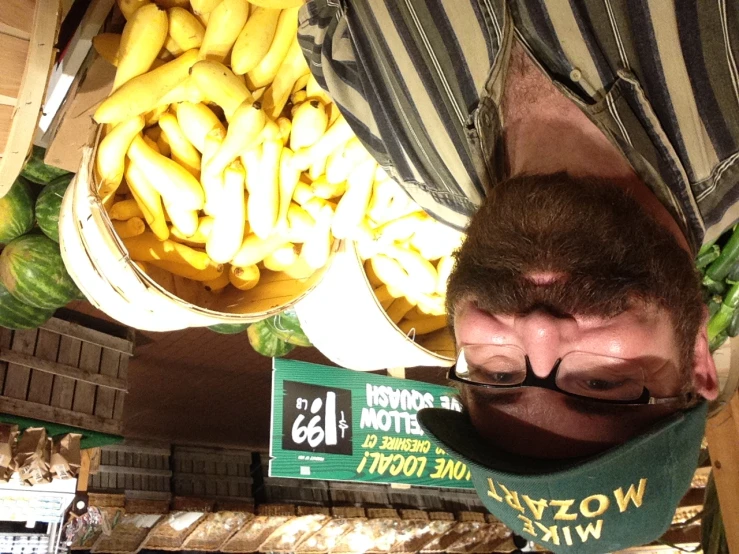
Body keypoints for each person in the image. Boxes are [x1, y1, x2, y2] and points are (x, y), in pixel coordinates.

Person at [299, 1, 738, 552]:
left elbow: (324, 27)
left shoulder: (414, 166)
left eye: (499, 376)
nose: (537, 329)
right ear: (697, 359)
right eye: (601, 384)